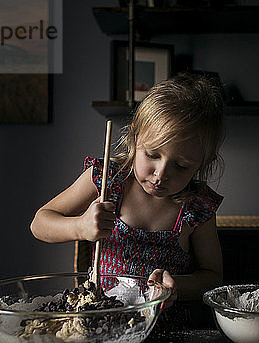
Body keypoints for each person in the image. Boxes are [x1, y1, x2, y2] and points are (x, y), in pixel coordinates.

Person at [30, 73, 225, 308]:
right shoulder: (107, 180)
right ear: (134, 138)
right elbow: (39, 223)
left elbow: (213, 277)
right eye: (152, 155)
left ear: (203, 162)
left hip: (166, 330)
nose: (161, 174)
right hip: (102, 321)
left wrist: (176, 287)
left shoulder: (198, 206)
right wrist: (80, 226)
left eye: (181, 166)